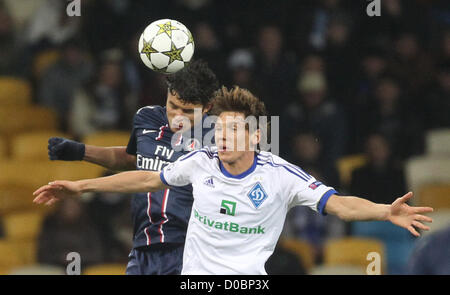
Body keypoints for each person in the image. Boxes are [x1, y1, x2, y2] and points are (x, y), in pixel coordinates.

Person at [35, 86, 434, 275]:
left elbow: (340, 204)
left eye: (232, 132)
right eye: (218, 130)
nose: (221, 138)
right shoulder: (200, 162)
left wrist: (385, 211)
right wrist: (80, 186)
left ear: (256, 136)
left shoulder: (280, 176)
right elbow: (146, 180)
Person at [46, 59, 219, 274]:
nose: (178, 118)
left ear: (208, 107)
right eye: (173, 106)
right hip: (143, 247)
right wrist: (81, 152)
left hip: (189, 252)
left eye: (188, 111)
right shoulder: (146, 118)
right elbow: (132, 161)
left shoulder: (220, 140)